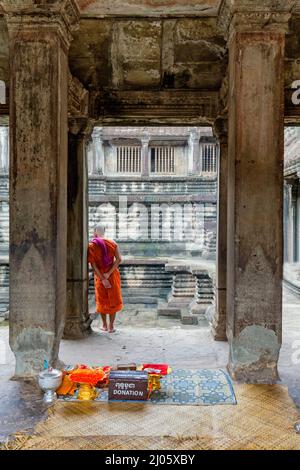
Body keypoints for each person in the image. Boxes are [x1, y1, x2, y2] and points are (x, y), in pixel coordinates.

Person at [88, 224, 123, 333]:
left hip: (100, 275)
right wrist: (108, 274)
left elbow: (92, 264)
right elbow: (119, 259)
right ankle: (111, 326)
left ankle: (104, 325)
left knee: (101, 300)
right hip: (112, 275)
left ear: (95, 232)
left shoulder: (92, 245)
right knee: (113, 300)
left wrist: (102, 277)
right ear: (104, 231)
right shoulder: (112, 243)